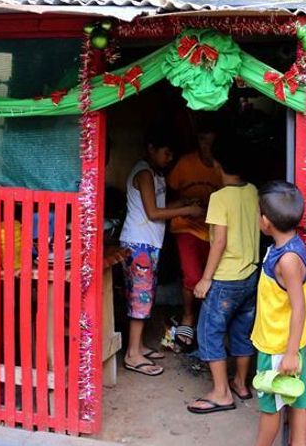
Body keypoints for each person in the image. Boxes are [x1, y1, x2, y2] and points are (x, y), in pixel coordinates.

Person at [119, 127, 203, 377]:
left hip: (148, 243)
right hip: (138, 244)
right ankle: (132, 355)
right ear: (151, 149)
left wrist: (184, 203)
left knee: (145, 297)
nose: (169, 158)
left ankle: (139, 346)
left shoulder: (155, 174)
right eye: (165, 153)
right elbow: (154, 213)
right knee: (140, 299)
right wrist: (186, 212)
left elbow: (161, 207)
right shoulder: (144, 172)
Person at [188, 136, 260, 414]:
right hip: (250, 276)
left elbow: (218, 241)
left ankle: (221, 393)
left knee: (209, 331)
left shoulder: (219, 198)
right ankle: (241, 384)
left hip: (227, 278)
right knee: (242, 330)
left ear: (216, 163)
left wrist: (206, 278)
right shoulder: (253, 190)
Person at [251, 181, 306, 446]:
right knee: (296, 400)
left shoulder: (286, 260)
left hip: (278, 345)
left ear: (266, 222)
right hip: (288, 342)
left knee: (271, 406)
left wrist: (288, 353)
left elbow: (298, 307)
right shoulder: (288, 247)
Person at [166, 117, 223, 350]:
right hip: (186, 226)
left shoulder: (223, 168)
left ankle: (205, 321)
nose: (205, 148)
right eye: (202, 142)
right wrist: (186, 204)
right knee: (191, 275)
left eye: (210, 143)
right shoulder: (185, 164)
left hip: (214, 230)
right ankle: (188, 316)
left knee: (213, 277)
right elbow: (167, 196)